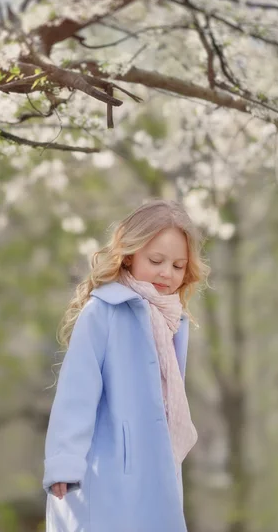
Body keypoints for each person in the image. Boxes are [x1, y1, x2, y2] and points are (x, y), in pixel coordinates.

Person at [42, 199, 210, 532]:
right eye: (156, 260)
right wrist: (64, 462)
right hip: (108, 469)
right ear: (130, 254)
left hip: (158, 467)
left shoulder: (173, 319)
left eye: (178, 266)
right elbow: (77, 392)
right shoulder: (103, 311)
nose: (167, 273)